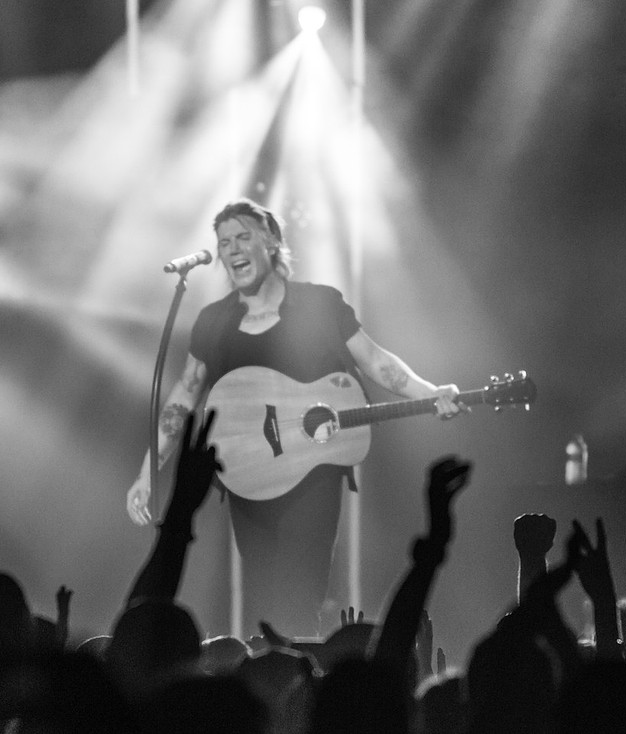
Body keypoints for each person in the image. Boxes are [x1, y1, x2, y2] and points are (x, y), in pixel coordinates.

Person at [125, 198, 460, 637]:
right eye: (224, 242)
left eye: (243, 237)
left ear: (271, 242)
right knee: (262, 595)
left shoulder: (319, 304)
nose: (232, 249)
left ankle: (297, 667)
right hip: (248, 477)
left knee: (303, 590)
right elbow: (182, 397)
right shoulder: (214, 320)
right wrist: (149, 470)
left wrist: (429, 393)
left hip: (314, 473)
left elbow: (377, 362)